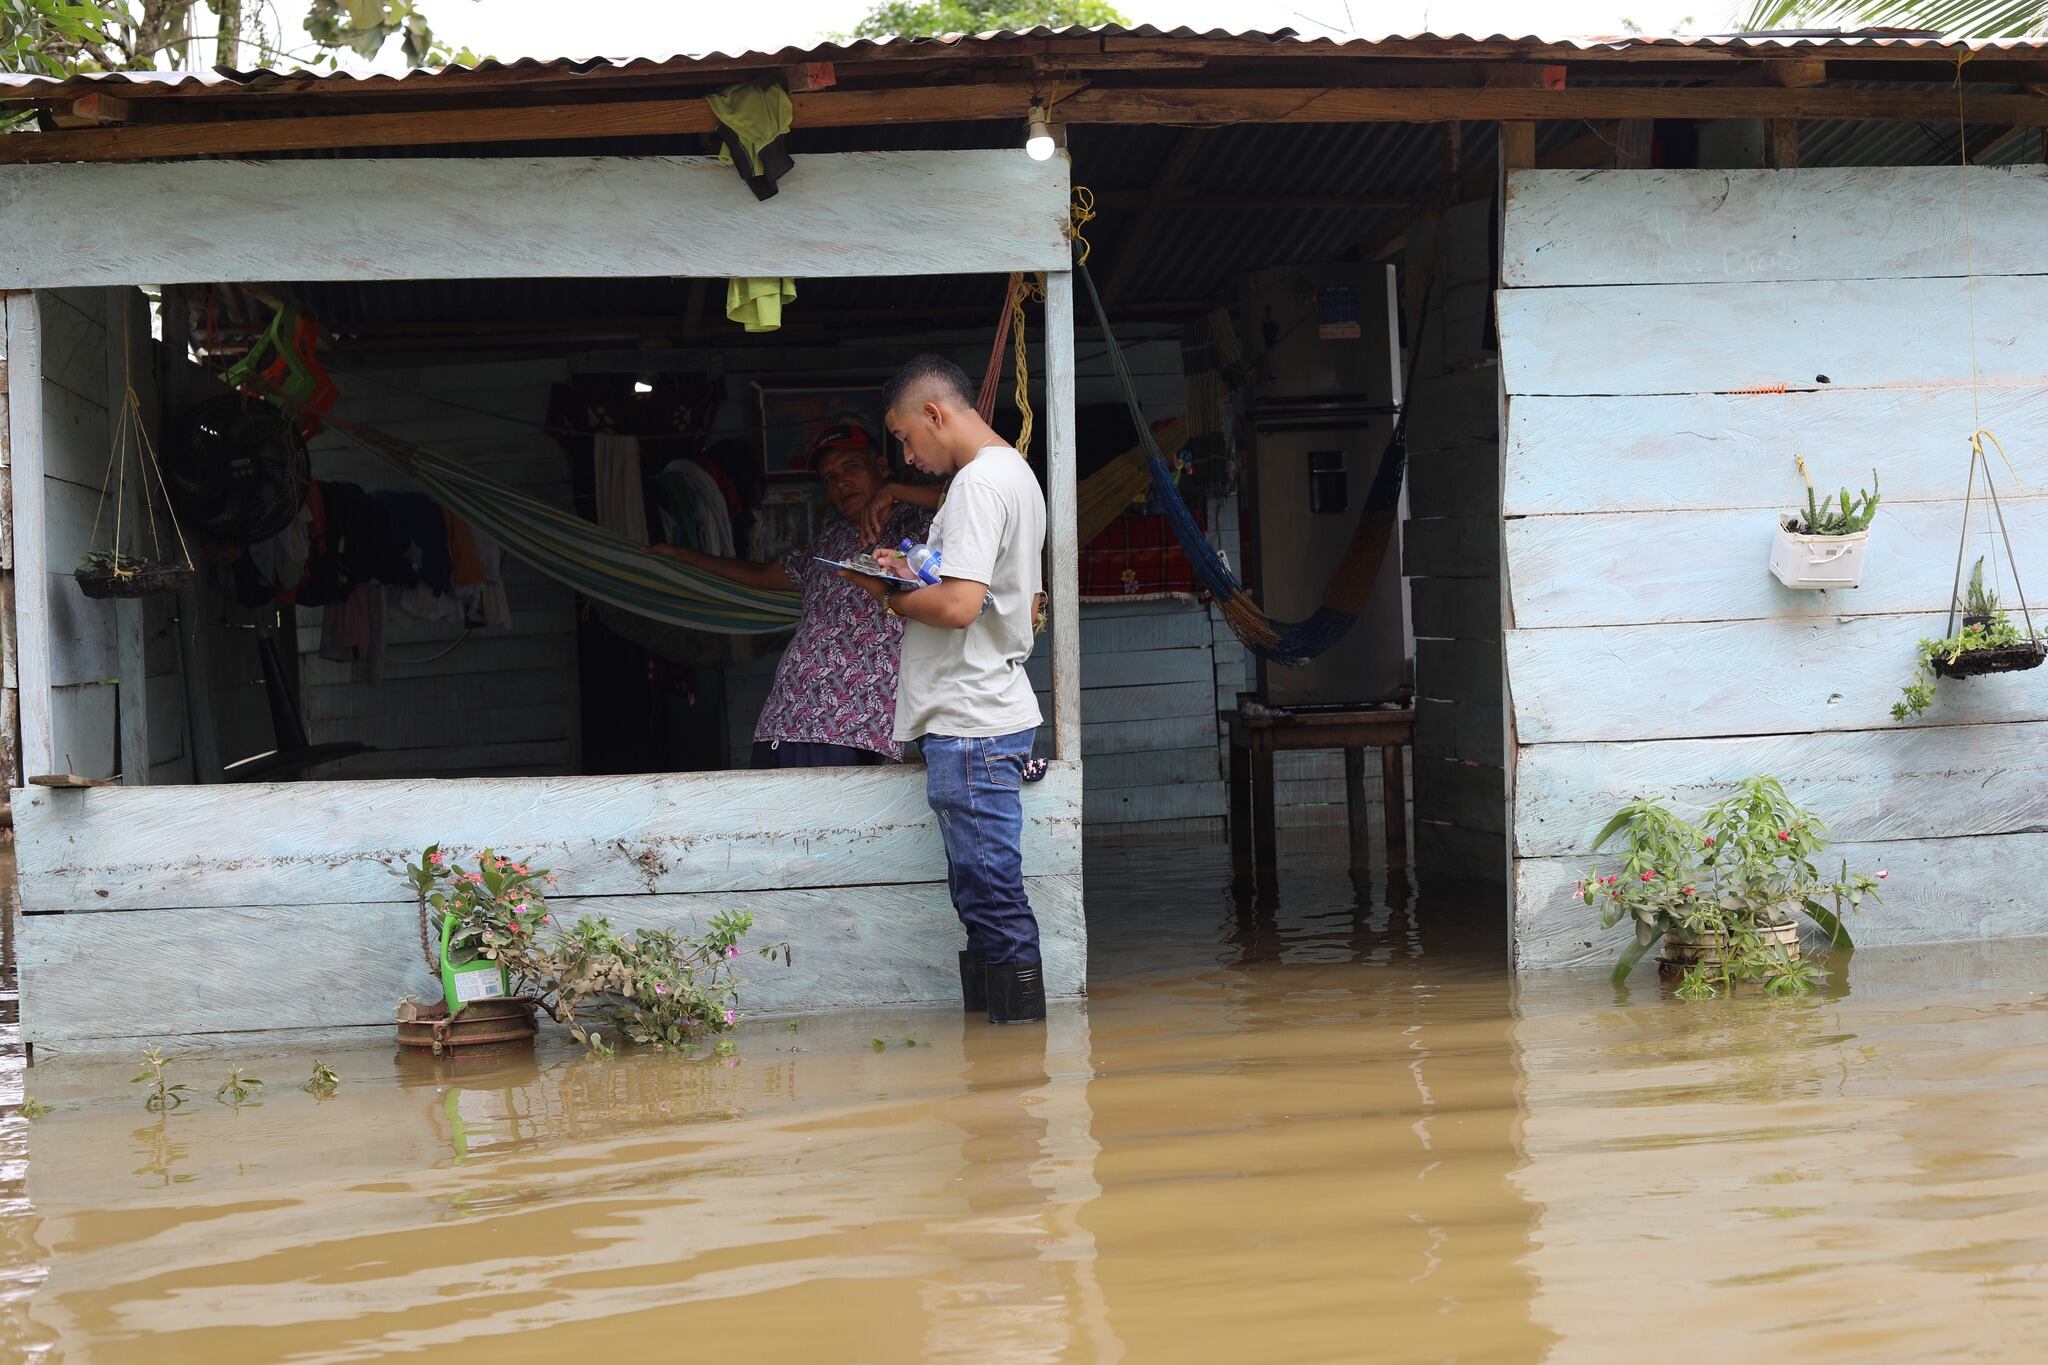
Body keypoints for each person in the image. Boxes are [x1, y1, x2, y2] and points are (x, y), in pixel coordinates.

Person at [840, 355, 1050, 1025]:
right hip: (977, 716)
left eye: (904, 438)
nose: (906, 454)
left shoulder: (977, 485)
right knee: (980, 894)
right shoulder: (1008, 472)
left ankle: (1019, 1065)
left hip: (974, 720)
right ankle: (997, 1070)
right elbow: (976, 589)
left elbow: (960, 606)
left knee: (991, 894)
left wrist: (889, 598)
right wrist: (907, 569)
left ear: (935, 414)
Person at [652, 422, 936, 768]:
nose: (840, 482)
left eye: (850, 467)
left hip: (856, 723)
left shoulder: (926, 524)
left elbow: (970, 493)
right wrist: (681, 556)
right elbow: (760, 575)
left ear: (881, 468)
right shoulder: (829, 539)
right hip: (785, 715)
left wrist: (894, 491)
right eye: (829, 478)